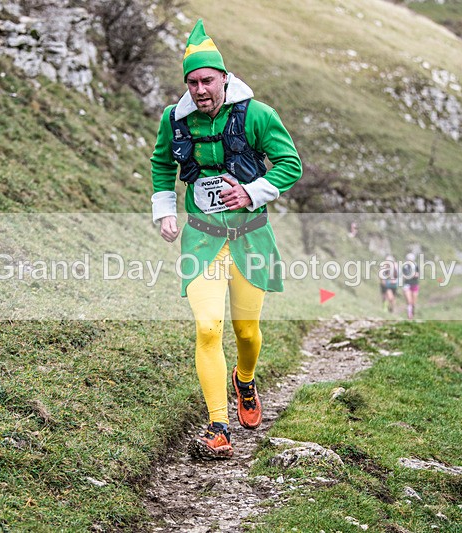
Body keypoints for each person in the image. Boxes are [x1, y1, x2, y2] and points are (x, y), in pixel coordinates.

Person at [150, 20, 302, 460]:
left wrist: (252, 191)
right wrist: (165, 212)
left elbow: (290, 164)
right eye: (192, 82)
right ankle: (219, 425)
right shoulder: (174, 120)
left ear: (223, 78)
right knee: (207, 327)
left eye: (207, 80)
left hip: (251, 238)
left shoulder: (257, 114)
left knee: (247, 331)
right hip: (202, 239)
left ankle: (246, 379)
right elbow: (163, 163)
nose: (199, 90)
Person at [401, 252, 419, 319]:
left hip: (414, 284)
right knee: (409, 301)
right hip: (407, 284)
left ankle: (412, 312)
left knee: (413, 302)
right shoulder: (405, 267)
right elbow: (404, 276)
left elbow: (417, 275)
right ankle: (409, 316)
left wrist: (410, 275)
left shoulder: (416, 266)